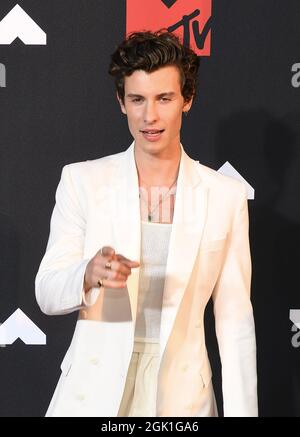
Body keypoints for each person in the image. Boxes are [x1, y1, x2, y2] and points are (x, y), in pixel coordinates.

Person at [35, 30, 258, 417]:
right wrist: (88, 273)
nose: (149, 116)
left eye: (164, 98)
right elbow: (48, 292)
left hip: (181, 396)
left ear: (187, 100)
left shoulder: (225, 196)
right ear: (121, 102)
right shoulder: (83, 181)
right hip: (92, 391)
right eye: (137, 99)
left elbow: (235, 322)